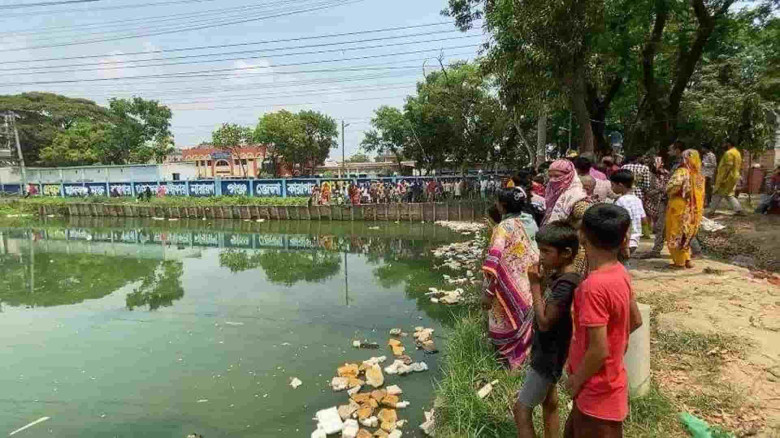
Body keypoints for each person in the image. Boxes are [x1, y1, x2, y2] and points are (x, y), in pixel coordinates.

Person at [563, 204, 643, 438]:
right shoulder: (620, 272)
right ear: (624, 239)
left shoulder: (593, 287)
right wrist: (617, 341)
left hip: (595, 391)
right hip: (609, 382)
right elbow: (636, 319)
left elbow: (598, 350)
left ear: (582, 236)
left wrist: (577, 380)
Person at [514, 222, 581, 438]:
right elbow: (546, 305)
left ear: (566, 253)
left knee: (521, 410)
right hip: (552, 350)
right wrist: (542, 283)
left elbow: (544, 321)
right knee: (550, 402)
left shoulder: (565, 285)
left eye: (546, 251)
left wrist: (534, 284)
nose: (540, 256)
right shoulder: (558, 278)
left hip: (548, 355)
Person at [481, 187, 540, 370]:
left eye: (498, 202)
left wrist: (488, 292)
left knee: (503, 325)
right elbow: (530, 254)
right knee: (521, 327)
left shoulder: (503, 228)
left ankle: (509, 363)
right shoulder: (523, 222)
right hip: (522, 283)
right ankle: (521, 361)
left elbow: (494, 260)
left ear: (502, 205)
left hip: (504, 286)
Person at [666, 149, 706, 269]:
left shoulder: (682, 171)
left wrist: (669, 191)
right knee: (687, 233)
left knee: (676, 232)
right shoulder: (700, 176)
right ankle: (687, 259)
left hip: (680, 206)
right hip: (695, 210)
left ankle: (679, 263)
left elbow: (672, 187)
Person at [610, 170, 646, 263]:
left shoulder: (621, 201)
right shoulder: (637, 200)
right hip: (635, 240)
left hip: (625, 240)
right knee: (623, 263)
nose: (611, 188)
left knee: (618, 264)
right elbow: (644, 220)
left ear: (620, 185)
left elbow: (626, 223)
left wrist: (625, 245)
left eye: (613, 185)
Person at [542, 159, 589, 226]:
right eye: (550, 176)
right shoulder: (551, 192)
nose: (552, 180)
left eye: (557, 176)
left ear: (569, 176)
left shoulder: (577, 196)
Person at [708, 139, 745, 215]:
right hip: (733, 176)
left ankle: (711, 211)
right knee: (729, 194)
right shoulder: (737, 153)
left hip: (727, 177)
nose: (722, 145)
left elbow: (728, 166)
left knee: (717, 193)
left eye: (724, 143)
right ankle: (739, 210)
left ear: (728, 144)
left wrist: (723, 179)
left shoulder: (729, 153)